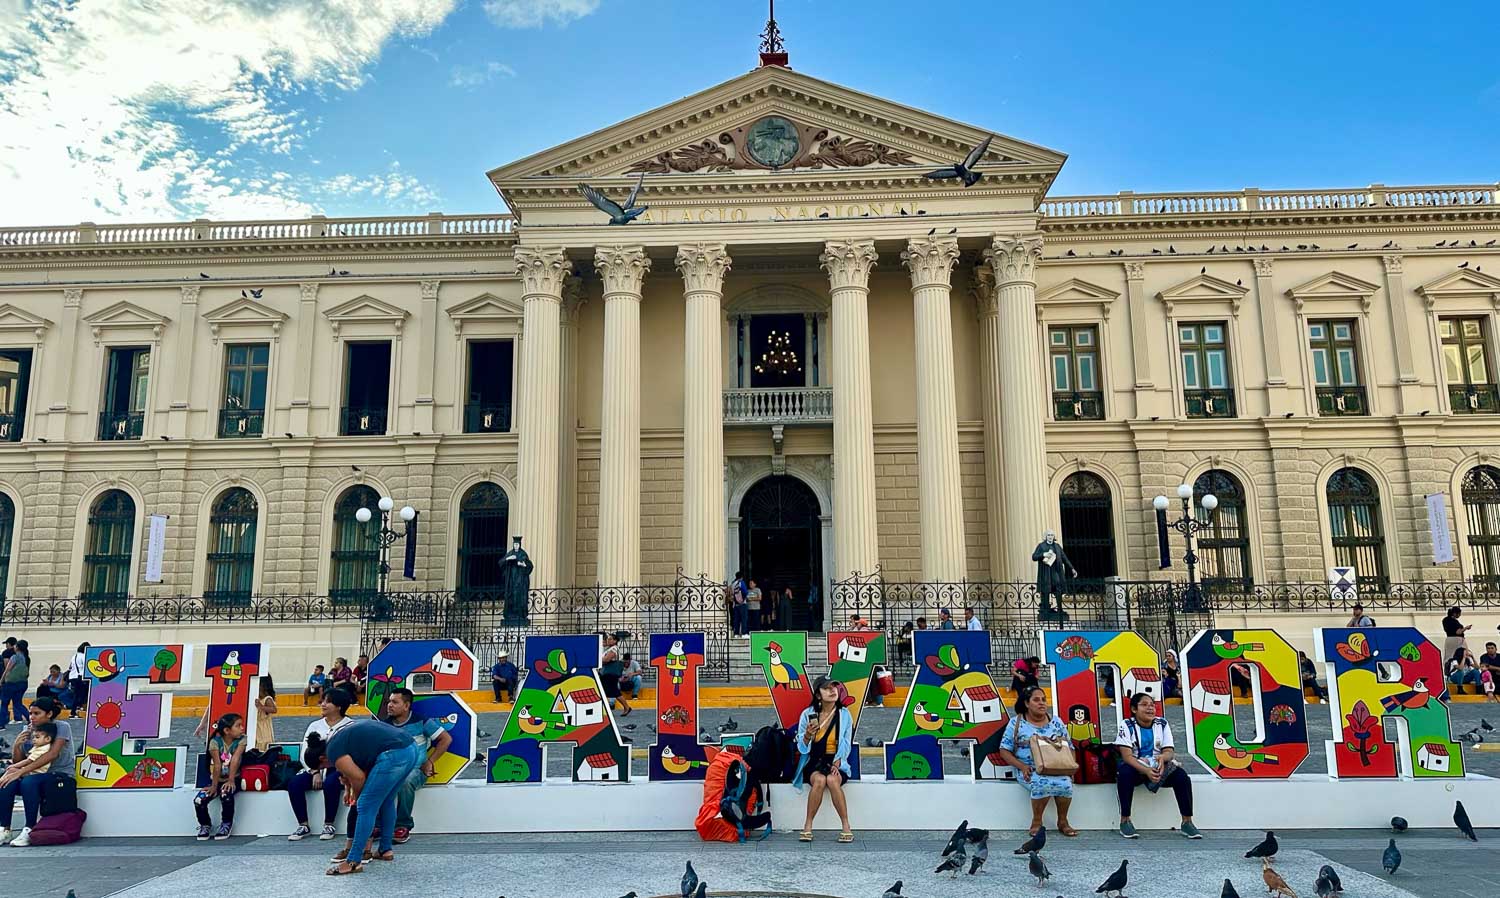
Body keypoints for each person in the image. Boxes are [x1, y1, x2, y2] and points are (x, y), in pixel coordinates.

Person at [322, 717, 426, 876]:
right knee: (387, 800)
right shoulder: (342, 738)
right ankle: (385, 850)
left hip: (394, 754)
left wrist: (358, 798)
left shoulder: (333, 751)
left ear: (322, 758)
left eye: (322, 766)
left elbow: (358, 778)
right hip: (410, 748)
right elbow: (355, 770)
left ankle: (353, 861)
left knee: (364, 805)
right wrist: (349, 787)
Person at [1114, 692, 1200, 839]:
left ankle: (1187, 822)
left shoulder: (1162, 724)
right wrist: (1146, 771)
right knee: (1125, 774)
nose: (1150, 708)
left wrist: (1162, 758)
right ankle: (1125, 820)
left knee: (1181, 777)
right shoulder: (1126, 725)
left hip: (1157, 765)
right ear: (1134, 709)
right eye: (1144, 705)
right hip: (1136, 766)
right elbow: (1127, 756)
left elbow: (1169, 751)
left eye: (1152, 705)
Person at [996, 684, 1076, 837]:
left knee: (1065, 784)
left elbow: (1069, 747)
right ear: (1027, 703)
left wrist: (1070, 767)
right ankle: (1037, 822)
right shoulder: (1016, 723)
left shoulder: (1056, 722)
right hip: (1029, 769)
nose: (1042, 703)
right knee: (1041, 783)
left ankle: (1063, 821)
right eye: (1036, 700)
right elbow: (1004, 751)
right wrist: (1022, 766)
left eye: (1044, 700)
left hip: (1056, 767)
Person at [0, 697, 76, 847]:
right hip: (35, 773)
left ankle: (29, 828)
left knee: (28, 782)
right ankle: (5, 828)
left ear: (48, 714)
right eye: (30, 713)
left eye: (37, 713)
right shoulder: (29, 730)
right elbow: (19, 760)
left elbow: (52, 754)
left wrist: (20, 772)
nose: (32, 717)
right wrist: (17, 745)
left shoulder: (61, 726)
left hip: (58, 774)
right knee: (7, 782)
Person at [383, 687, 452, 845]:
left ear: (406, 706)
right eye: (389, 702)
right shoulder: (384, 725)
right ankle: (379, 825)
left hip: (415, 770)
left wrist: (430, 761)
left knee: (406, 781)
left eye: (395, 702)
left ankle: (403, 825)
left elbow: (445, 739)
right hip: (391, 770)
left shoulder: (421, 721)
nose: (389, 705)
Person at [285, 687, 355, 841]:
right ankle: (303, 825)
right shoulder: (315, 726)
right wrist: (314, 771)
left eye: (328, 702)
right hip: (316, 768)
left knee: (331, 782)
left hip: (339, 769)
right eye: (323, 701)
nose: (323, 704)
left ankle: (329, 824)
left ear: (339, 706)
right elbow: (305, 752)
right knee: (295, 783)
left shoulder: (350, 726)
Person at [793, 676, 854, 843]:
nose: (832, 690)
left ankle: (846, 825)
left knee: (833, 780)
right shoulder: (808, 714)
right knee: (820, 780)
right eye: (827, 688)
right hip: (815, 762)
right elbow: (802, 748)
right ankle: (808, 825)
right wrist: (806, 735)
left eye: (834, 687)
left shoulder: (844, 714)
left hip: (836, 761)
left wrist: (838, 761)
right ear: (818, 695)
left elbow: (846, 742)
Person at [195, 713, 246, 840]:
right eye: (238, 726)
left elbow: (235, 760)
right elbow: (217, 765)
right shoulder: (214, 742)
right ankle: (205, 824)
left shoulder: (242, 740)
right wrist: (213, 786)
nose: (242, 728)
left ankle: (226, 823)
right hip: (216, 779)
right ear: (227, 730)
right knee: (199, 800)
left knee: (226, 793)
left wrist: (231, 780)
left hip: (234, 778)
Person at [600, 632, 631, 717]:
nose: (608, 640)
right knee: (610, 691)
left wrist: (599, 659)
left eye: (610, 639)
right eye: (608, 639)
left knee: (613, 691)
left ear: (615, 641)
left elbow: (606, 659)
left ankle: (626, 707)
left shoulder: (613, 649)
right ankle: (626, 707)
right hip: (607, 674)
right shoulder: (608, 648)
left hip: (610, 674)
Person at [1, 638, 29, 726]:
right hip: (22, 683)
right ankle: (29, 718)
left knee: (4, 703)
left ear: (17, 647)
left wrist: (1, 680)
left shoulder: (15, 657)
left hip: (11, 683)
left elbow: (7, 670)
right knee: (18, 703)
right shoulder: (26, 658)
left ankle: (1, 723)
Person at [254, 676, 278, 752]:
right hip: (257, 728)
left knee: (263, 745)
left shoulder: (267, 699)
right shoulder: (257, 697)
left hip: (263, 729)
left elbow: (274, 709)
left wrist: (261, 707)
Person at [66, 642, 90, 715]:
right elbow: (87, 667)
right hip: (80, 677)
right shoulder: (83, 656)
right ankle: (76, 710)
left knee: (77, 694)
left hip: (72, 677)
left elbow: (70, 667)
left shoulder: (74, 656)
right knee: (82, 694)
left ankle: (75, 710)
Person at [730, 571, 749, 639]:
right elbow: (745, 592)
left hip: (735, 604)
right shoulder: (741, 582)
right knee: (744, 619)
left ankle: (736, 633)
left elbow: (731, 594)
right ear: (742, 577)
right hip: (742, 603)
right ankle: (744, 633)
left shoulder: (733, 584)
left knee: (736, 619)